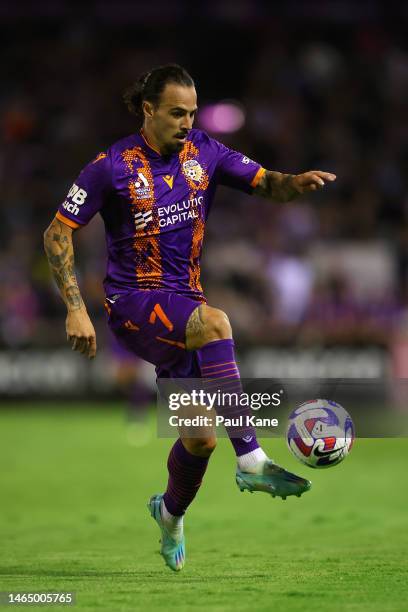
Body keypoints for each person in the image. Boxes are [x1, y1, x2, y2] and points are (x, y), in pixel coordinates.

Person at [44, 64, 336, 572]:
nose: (187, 122)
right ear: (148, 110)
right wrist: (75, 308)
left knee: (198, 441)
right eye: (176, 113)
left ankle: (170, 515)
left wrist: (297, 183)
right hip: (134, 305)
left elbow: (268, 183)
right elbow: (56, 233)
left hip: (182, 305)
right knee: (218, 323)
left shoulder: (207, 152)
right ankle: (251, 460)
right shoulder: (110, 166)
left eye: (193, 113)